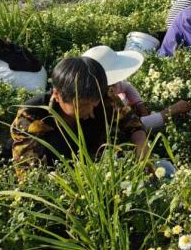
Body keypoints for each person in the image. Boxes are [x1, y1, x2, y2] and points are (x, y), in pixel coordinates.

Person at [10, 57, 149, 177]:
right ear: (57, 95)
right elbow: (28, 173)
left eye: (95, 103)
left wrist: (142, 148)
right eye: (82, 105)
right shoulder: (31, 115)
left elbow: (132, 124)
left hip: (94, 165)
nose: (90, 110)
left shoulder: (104, 96)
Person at [82, 45, 191, 131]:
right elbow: (135, 125)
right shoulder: (104, 102)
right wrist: (170, 111)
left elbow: (126, 86)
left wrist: (140, 105)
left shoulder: (108, 90)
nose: (117, 82)